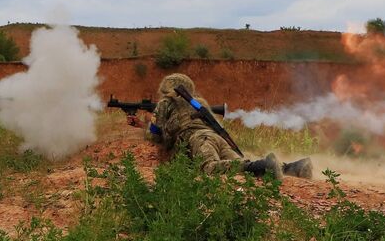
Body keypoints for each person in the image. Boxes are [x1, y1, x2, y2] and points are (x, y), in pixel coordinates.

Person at [128, 73, 313, 179]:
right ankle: (294, 167)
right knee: (243, 165)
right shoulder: (198, 102)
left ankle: (265, 165)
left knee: (209, 168)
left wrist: (141, 126)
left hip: (198, 140)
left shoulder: (165, 103)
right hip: (216, 137)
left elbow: (154, 136)